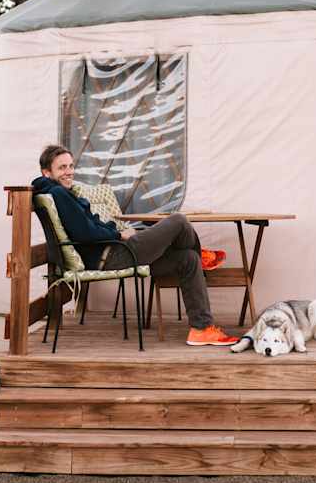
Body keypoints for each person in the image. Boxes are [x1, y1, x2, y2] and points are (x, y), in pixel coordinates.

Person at [31, 144, 239, 346]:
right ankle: (201, 254)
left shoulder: (61, 192)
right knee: (179, 221)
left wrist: (116, 231)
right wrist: (119, 233)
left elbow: (91, 225)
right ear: (47, 172)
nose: (69, 172)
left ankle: (201, 329)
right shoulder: (59, 194)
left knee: (188, 259)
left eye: (70, 166)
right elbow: (85, 233)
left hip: (114, 251)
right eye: (62, 167)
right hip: (112, 255)